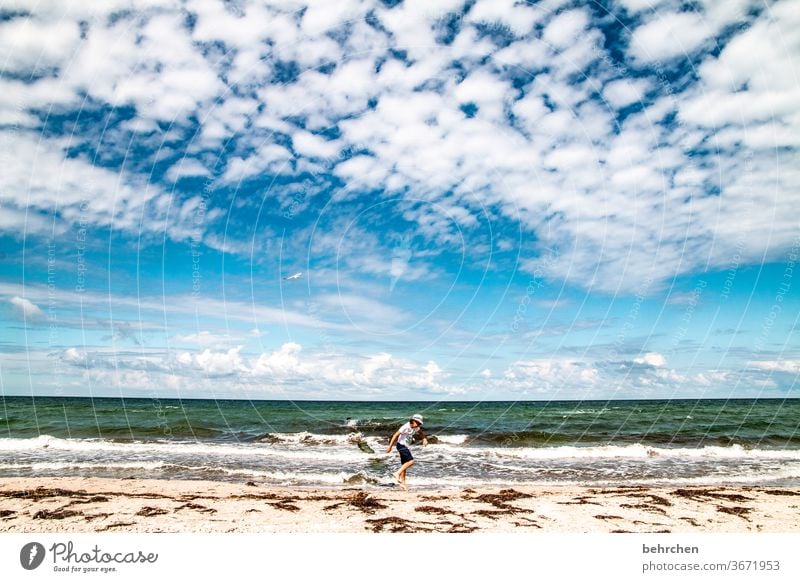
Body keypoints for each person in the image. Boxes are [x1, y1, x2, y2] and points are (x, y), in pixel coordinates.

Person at [386, 414, 428, 490]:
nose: (418, 425)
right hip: (401, 446)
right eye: (417, 423)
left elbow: (421, 433)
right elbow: (395, 435)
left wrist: (424, 439)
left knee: (404, 465)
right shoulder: (405, 427)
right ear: (412, 421)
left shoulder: (416, 427)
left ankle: (403, 483)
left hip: (405, 446)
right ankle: (397, 473)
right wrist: (390, 446)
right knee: (411, 461)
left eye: (420, 424)